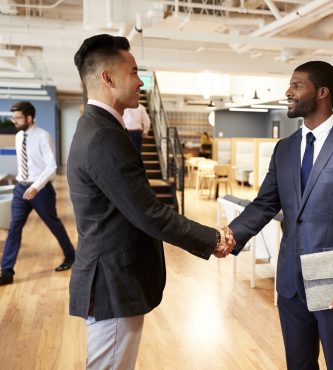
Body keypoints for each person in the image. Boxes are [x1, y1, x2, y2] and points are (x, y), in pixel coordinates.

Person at [70, 34, 234, 369]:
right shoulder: (103, 135)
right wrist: (212, 238)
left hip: (112, 275)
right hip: (113, 279)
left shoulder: (98, 127)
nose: (140, 81)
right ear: (108, 77)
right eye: (133, 72)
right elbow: (149, 213)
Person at [224, 61, 333, 370]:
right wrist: (230, 235)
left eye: (297, 85)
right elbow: (264, 204)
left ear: (322, 92)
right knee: (298, 364)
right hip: (289, 281)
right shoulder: (284, 148)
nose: (288, 91)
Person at [0, 101, 76, 286]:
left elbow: (52, 166)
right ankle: (7, 272)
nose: (14, 121)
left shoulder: (43, 136)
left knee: (53, 224)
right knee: (14, 227)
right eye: (13, 117)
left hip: (40, 190)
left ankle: (71, 256)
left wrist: (36, 186)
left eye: (17, 118)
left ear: (29, 117)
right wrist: (24, 185)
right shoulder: (19, 136)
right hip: (21, 188)